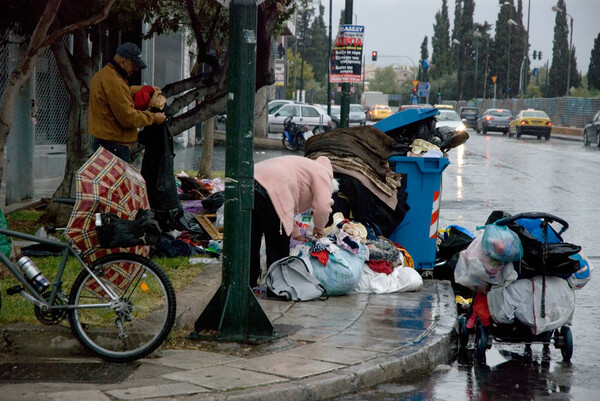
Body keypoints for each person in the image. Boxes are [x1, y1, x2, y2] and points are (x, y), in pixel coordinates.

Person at [250, 155, 337, 287]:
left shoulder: (304, 166)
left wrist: (295, 233)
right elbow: (323, 207)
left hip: (250, 181)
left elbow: (284, 208)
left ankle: (247, 283)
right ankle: (277, 288)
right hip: (272, 189)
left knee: (251, 239)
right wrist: (319, 227)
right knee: (277, 244)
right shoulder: (323, 174)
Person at [88, 42, 166, 162]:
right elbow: (129, 118)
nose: (135, 69)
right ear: (123, 61)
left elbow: (123, 93)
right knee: (117, 181)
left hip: (107, 144)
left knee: (110, 181)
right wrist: (154, 117)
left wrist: (145, 88)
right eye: (134, 65)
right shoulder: (114, 81)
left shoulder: (105, 75)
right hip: (113, 147)